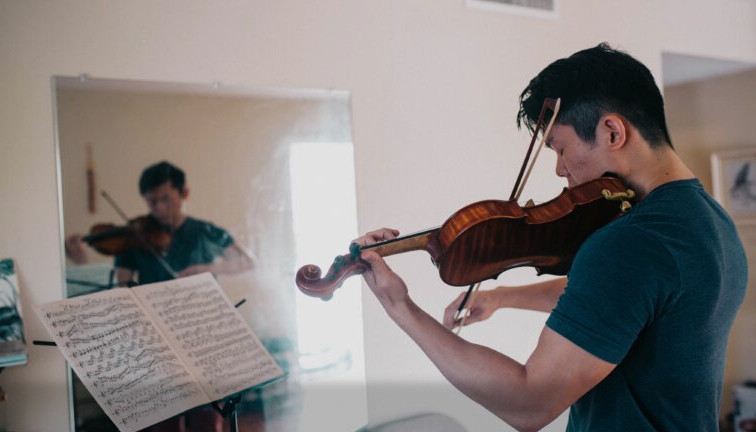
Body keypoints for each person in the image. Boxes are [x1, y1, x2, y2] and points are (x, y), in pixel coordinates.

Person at [355, 43, 748, 431]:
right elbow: (616, 301)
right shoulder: (709, 220)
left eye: (560, 149)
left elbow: (528, 403)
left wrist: (400, 306)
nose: (560, 171)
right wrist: (501, 297)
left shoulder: (632, 243)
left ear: (612, 131)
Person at [114, 160, 254, 286]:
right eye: (152, 201)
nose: (160, 208)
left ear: (184, 193)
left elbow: (248, 262)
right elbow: (123, 285)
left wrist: (206, 269)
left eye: (166, 199)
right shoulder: (135, 235)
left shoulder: (204, 231)